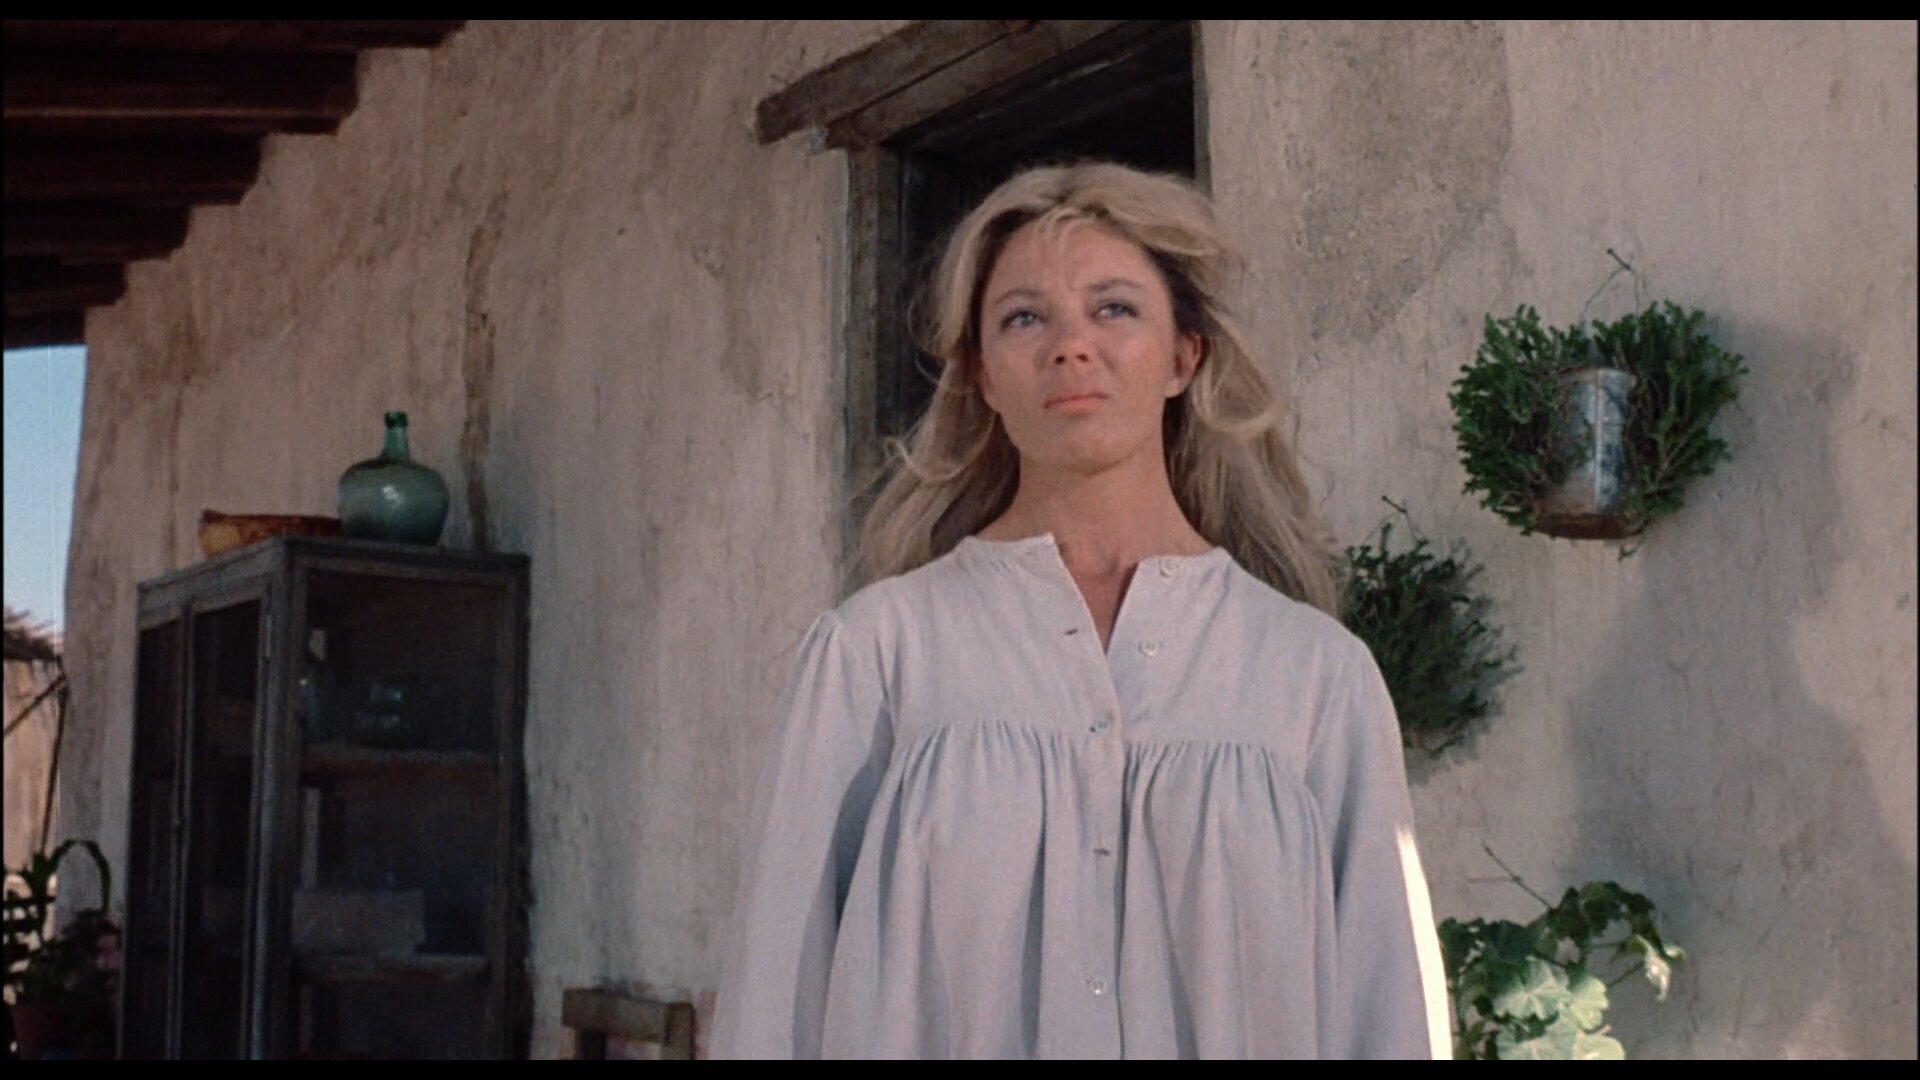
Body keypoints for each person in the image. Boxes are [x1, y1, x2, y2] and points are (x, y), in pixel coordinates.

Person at [709, 161, 1450, 1059]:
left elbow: (1387, 1011)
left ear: (1184, 357)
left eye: (1115, 309)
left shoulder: (1315, 676)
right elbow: (776, 999)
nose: (1071, 347)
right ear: (983, 375)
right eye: (1025, 318)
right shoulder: (875, 657)